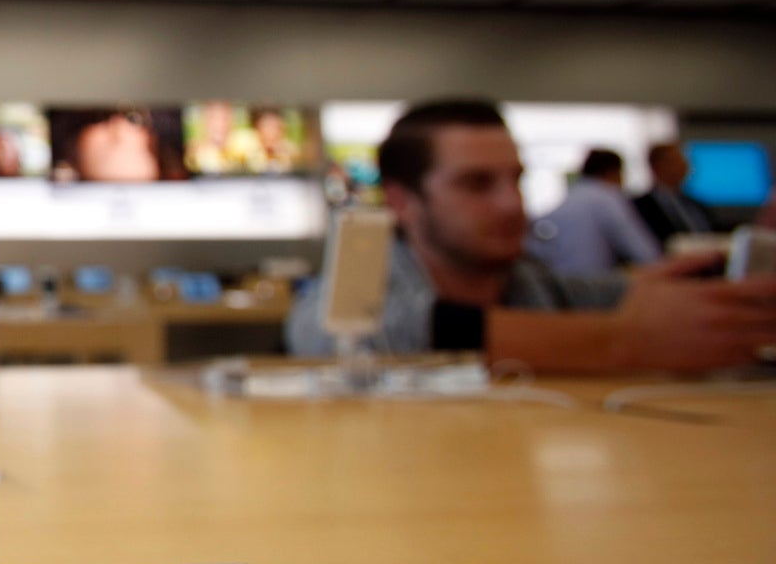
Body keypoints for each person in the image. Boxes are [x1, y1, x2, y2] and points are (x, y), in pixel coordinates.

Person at [286, 100, 776, 372]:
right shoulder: (359, 294)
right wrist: (631, 340)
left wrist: (697, 286)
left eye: (515, 179)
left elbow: (625, 296)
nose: (510, 203)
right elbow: (370, 335)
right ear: (400, 201)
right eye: (477, 184)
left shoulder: (536, 286)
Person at [528, 148, 660, 275]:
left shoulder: (571, 196)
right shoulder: (608, 197)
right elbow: (643, 253)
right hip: (595, 286)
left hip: (559, 285)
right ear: (613, 172)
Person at [633, 142, 717, 246]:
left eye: (684, 161)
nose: (684, 166)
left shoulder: (695, 204)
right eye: (676, 161)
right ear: (656, 167)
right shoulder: (640, 206)